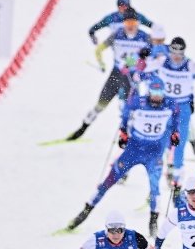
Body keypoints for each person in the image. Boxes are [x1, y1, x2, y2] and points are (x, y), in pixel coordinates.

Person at [67, 77, 180, 235]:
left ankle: (153, 222)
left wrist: (175, 133)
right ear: (149, 91)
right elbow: (126, 115)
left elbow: (176, 119)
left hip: (154, 153)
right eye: (154, 92)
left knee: (155, 188)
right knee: (110, 179)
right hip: (134, 149)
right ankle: (86, 210)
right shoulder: (138, 102)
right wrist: (123, 133)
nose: (156, 96)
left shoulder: (170, 104)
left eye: (159, 92)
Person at [69, 9, 153, 141]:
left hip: (132, 77)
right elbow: (99, 50)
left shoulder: (145, 37)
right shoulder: (117, 34)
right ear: (123, 23)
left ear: (138, 23)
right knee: (101, 103)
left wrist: (144, 63)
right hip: (116, 74)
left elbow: (155, 55)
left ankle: (129, 136)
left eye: (133, 23)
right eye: (127, 23)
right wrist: (102, 64)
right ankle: (83, 128)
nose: (130, 26)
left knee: (130, 110)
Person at [144, 37, 195, 181]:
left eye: (180, 53)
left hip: (182, 107)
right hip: (165, 106)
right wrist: (142, 57)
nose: (176, 56)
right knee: (162, 137)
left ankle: (177, 172)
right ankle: (164, 165)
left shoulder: (189, 65)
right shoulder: (162, 61)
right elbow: (142, 68)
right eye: (173, 52)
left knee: (180, 141)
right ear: (169, 51)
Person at [87, 0, 153, 44]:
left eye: (125, 5)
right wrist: (92, 35)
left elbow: (151, 25)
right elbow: (95, 27)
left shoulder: (136, 16)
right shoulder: (111, 18)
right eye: (120, 5)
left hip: (135, 46)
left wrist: (154, 37)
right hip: (119, 47)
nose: (123, 8)